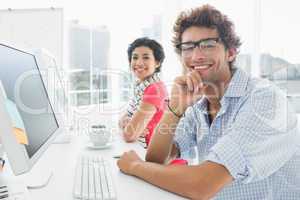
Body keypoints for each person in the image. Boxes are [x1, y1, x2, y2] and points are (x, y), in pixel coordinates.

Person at [117, 4, 300, 199]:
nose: (196, 56)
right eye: (188, 47)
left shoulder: (264, 99)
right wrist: (175, 109)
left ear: (230, 52)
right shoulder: (198, 106)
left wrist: (136, 166)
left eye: (208, 44)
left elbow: (203, 185)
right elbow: (156, 158)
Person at [119, 37, 168, 146]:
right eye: (135, 57)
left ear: (157, 63)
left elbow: (130, 135)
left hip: (153, 154)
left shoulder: (155, 89)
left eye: (146, 57)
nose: (139, 63)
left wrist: (129, 126)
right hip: (141, 149)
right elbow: (125, 117)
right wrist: (127, 123)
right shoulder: (140, 86)